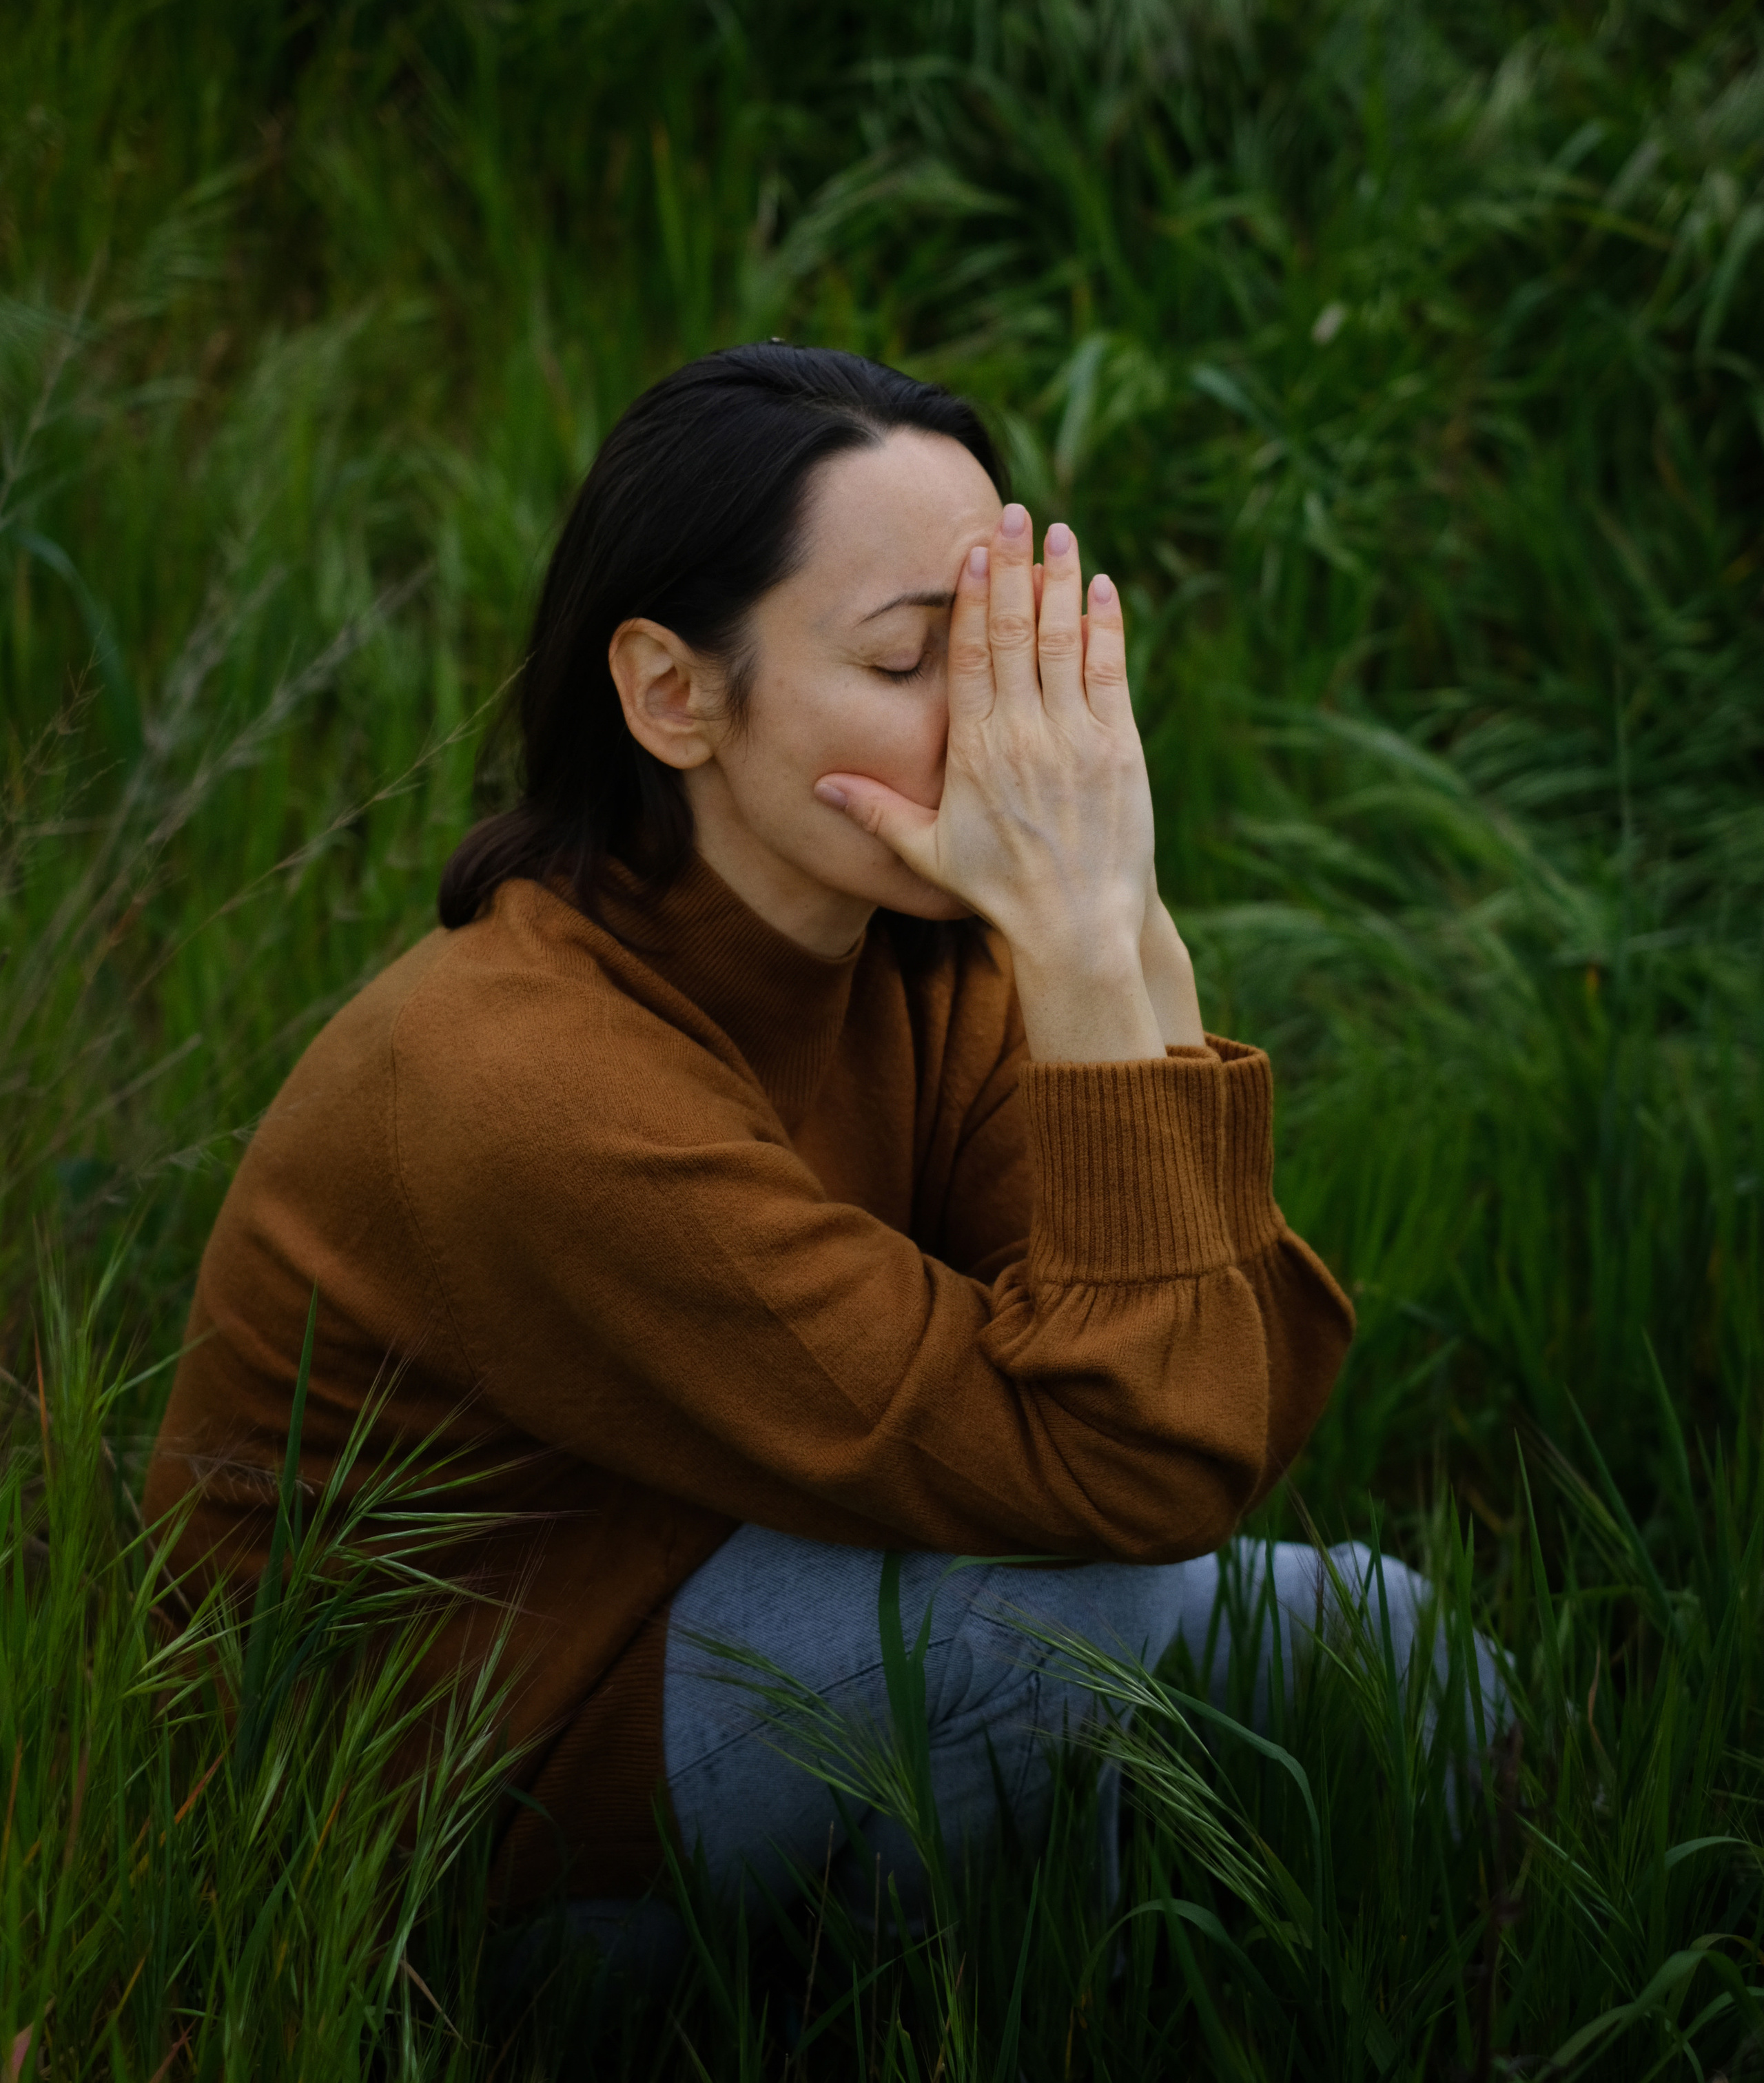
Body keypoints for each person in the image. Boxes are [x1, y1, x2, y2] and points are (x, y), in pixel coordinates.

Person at [145, 341, 1429, 1973]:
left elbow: (1215, 1410)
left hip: (742, 1588)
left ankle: (1438, 2029)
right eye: (908, 662)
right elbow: (1131, 1480)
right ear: (671, 696)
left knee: (1385, 1638)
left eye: (1007, 655)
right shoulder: (529, 1088)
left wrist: (1114, 933)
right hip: (437, 1822)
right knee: (1060, 1625)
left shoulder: (921, 956)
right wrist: (1080, 943)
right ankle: (930, 2079)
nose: (1001, 737)